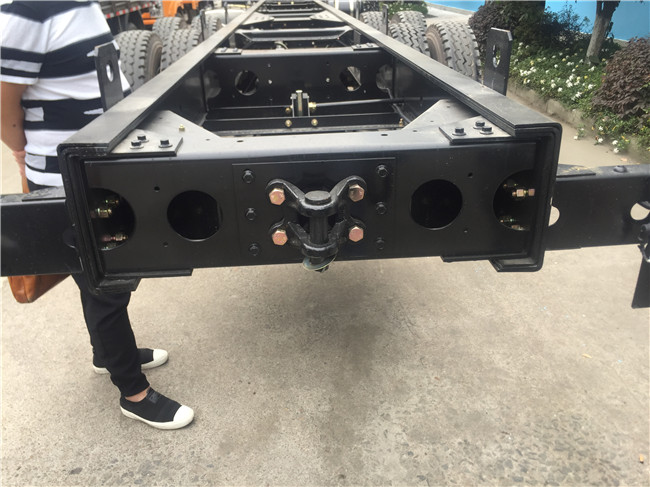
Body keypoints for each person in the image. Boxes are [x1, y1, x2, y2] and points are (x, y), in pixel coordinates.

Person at [0, 0, 194, 430]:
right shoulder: (28, 10)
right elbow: (4, 101)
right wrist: (21, 153)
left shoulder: (81, 5)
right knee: (105, 283)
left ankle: (106, 355)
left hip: (96, 168)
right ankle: (134, 393)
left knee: (98, 276)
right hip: (66, 176)